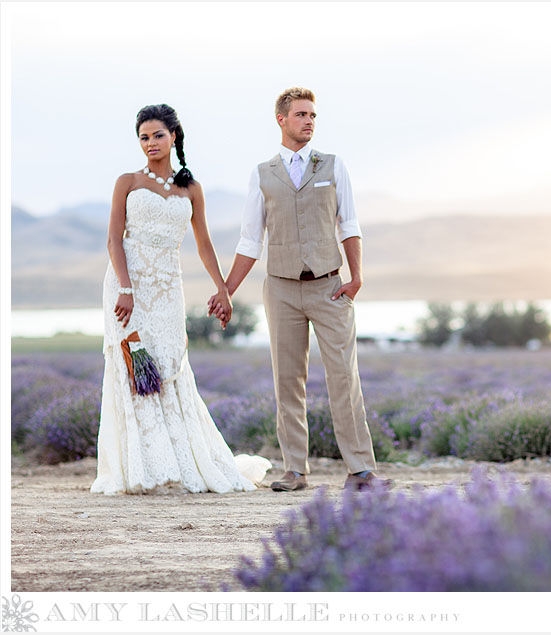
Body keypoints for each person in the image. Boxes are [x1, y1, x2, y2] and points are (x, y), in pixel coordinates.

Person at [211, 86, 389, 491]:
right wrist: (226, 291)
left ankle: (360, 470)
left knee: (344, 377)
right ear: (282, 119)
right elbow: (249, 241)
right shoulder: (262, 174)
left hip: (330, 287)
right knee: (287, 380)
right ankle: (295, 470)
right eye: (301, 115)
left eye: (313, 116)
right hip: (281, 290)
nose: (309, 121)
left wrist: (355, 277)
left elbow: (349, 224)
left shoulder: (332, 165)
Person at [91, 104, 271, 495]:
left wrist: (222, 288)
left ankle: (180, 462)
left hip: (168, 288)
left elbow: (203, 244)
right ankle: (142, 467)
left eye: (157, 135)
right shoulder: (127, 181)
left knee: (169, 363)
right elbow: (113, 240)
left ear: (174, 136)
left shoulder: (191, 188)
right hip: (129, 286)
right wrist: (125, 286)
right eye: (143, 137)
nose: (150, 143)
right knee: (133, 365)